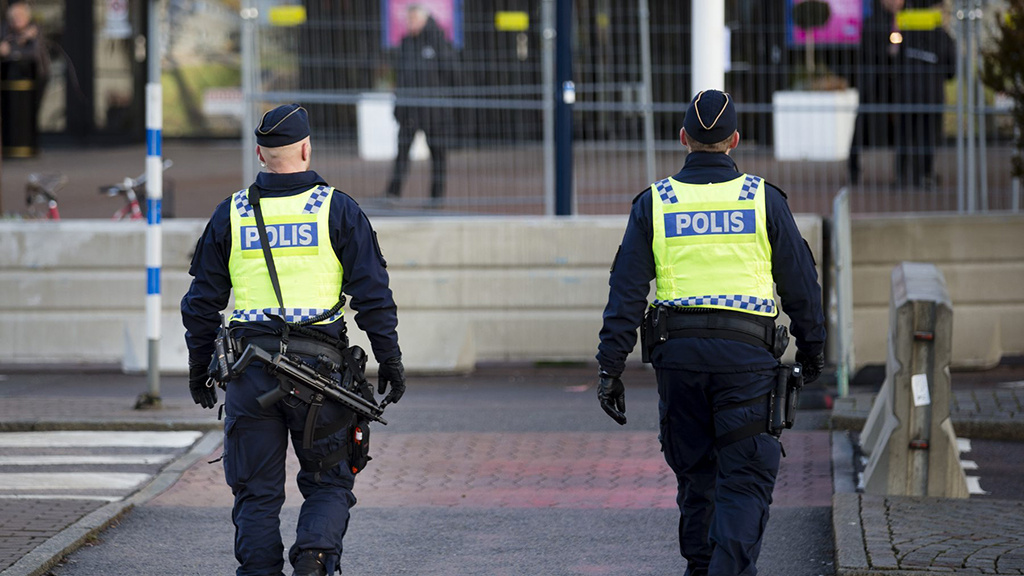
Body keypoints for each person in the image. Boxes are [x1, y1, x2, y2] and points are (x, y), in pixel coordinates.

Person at [595, 90, 826, 576]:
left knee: (697, 479)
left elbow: (626, 292)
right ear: (735, 140)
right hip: (748, 364)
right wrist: (813, 348)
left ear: (683, 138)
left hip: (679, 363)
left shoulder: (656, 202)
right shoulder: (762, 199)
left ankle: (702, 568)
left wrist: (610, 368)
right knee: (744, 482)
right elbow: (801, 284)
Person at [181, 103, 407, 576]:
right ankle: (314, 560)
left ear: (260, 154)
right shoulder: (338, 210)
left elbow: (201, 304)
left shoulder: (231, 213)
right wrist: (390, 359)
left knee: (255, 492)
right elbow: (373, 296)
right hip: (321, 377)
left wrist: (199, 367)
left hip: (248, 372)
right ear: (306, 149)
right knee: (329, 482)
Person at [384, 4, 455, 203]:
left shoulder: (438, 42)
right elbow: (400, 77)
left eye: (413, 19)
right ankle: (393, 193)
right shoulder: (406, 43)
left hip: (434, 111)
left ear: (424, 20)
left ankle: (436, 196)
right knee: (402, 153)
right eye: (408, 20)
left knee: (438, 153)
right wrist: (399, 105)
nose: (410, 23)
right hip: (409, 110)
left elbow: (451, 74)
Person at [892, 0, 955, 188]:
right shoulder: (943, 36)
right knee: (928, 136)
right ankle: (925, 175)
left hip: (907, 94)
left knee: (904, 136)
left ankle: (902, 175)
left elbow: (894, 61)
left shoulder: (905, 33)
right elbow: (951, 71)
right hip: (932, 95)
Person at [0, 1, 49, 157]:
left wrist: (12, 50)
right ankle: (11, 145)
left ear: (27, 17)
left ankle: (32, 145)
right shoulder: (5, 30)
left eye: (20, 16)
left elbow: (33, 54)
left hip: (37, 77)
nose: (17, 20)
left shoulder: (35, 30)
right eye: (14, 17)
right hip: (10, 80)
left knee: (32, 111)